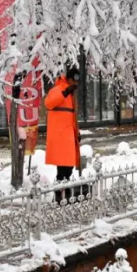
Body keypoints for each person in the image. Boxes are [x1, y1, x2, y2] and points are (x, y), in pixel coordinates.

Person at [44, 67, 81, 202]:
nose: (75, 85)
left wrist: (77, 132)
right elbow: (48, 103)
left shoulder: (72, 95)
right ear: (69, 79)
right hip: (60, 135)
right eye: (73, 81)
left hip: (69, 134)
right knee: (62, 166)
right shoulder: (58, 90)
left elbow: (73, 116)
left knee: (69, 165)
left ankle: (65, 189)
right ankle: (59, 194)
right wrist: (65, 92)